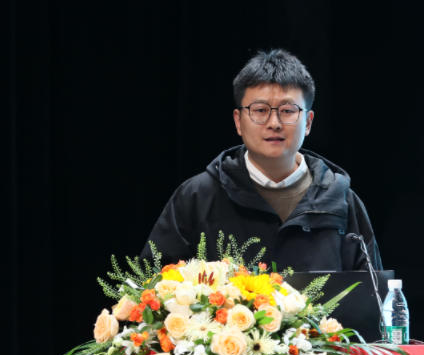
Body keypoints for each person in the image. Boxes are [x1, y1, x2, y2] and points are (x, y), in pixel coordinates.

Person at [142, 49, 382, 272]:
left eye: (287, 111)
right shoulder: (197, 197)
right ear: (238, 121)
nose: (274, 123)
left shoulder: (341, 201)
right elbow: (150, 289)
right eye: (260, 110)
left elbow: (374, 296)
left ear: (308, 122)